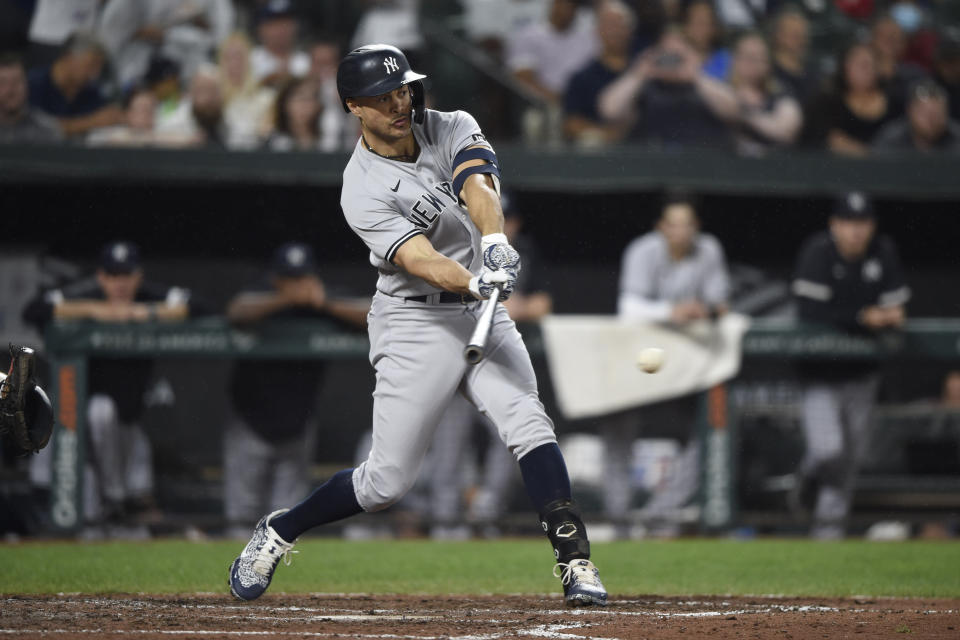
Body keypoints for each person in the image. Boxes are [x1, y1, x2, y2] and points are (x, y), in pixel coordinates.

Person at [228, 44, 608, 607]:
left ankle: (576, 564)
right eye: (383, 98)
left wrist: (496, 242)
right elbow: (421, 260)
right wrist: (478, 281)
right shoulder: (360, 186)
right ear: (353, 106)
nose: (399, 103)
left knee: (529, 424)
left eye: (403, 89)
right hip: (412, 320)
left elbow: (479, 186)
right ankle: (280, 530)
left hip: (480, 312)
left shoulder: (452, 124)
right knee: (386, 483)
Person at [22, 241, 195, 536]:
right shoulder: (85, 293)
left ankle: (118, 503)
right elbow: (33, 310)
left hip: (124, 428)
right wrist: (95, 310)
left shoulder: (148, 295)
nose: (120, 283)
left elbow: (199, 306)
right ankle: (113, 503)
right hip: (72, 427)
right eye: (113, 275)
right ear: (101, 276)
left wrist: (143, 314)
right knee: (85, 522)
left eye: (127, 274)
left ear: (138, 276)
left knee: (127, 528)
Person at [223, 242, 369, 538]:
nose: (297, 286)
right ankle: (236, 574)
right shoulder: (262, 295)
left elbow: (372, 312)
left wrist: (323, 302)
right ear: (276, 278)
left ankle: (279, 581)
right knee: (240, 520)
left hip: (298, 426)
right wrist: (284, 299)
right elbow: (236, 312)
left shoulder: (321, 300)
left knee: (287, 522)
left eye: (302, 278)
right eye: (289, 279)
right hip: (251, 423)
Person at [791, 191, 910, 539]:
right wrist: (862, 317)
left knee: (847, 464)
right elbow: (810, 312)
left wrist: (885, 316)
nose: (856, 231)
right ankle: (808, 476)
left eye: (862, 223)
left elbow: (896, 308)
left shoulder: (882, 252)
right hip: (820, 372)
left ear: (870, 226)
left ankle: (827, 540)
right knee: (828, 450)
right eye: (848, 223)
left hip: (862, 374)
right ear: (834, 225)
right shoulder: (818, 252)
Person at [612, 195, 730, 537]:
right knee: (617, 430)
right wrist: (672, 312)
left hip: (689, 358)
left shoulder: (708, 249)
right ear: (661, 228)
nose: (680, 231)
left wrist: (702, 311)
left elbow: (719, 305)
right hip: (635, 356)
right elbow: (628, 307)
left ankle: (656, 514)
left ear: (696, 227)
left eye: (687, 224)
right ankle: (619, 524)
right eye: (673, 224)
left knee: (711, 433)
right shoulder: (643, 250)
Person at [597, 29, 736, 150]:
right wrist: (638, 73)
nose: (671, 61)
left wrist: (696, 76)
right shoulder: (645, 86)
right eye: (666, 54)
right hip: (653, 165)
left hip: (699, 164)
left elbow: (733, 109)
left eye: (677, 55)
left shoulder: (703, 85)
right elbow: (609, 110)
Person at [97, 0, 235, 88]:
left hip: (180, 62)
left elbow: (220, 36)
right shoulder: (122, 5)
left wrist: (166, 34)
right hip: (131, 68)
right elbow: (108, 42)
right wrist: (139, 32)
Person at [806, 42, 901, 156]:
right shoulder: (827, 102)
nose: (866, 70)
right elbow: (818, 139)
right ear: (844, 67)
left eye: (870, 64)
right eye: (859, 64)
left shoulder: (895, 101)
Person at [562, 0, 635, 146]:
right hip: (598, 154)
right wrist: (608, 134)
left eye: (620, 25)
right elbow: (570, 123)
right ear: (597, 31)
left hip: (644, 153)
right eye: (609, 26)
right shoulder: (581, 77)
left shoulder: (643, 71)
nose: (615, 31)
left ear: (630, 31)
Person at [26, 32, 123, 138]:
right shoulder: (33, 85)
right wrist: (91, 122)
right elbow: (34, 127)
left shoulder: (91, 91)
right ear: (69, 57)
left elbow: (106, 118)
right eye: (91, 65)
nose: (95, 74)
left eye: (99, 67)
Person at [506, 0, 598, 105]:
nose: (569, 9)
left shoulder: (587, 41)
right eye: (565, 3)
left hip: (579, 105)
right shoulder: (528, 35)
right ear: (555, 4)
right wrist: (559, 101)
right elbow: (522, 79)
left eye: (573, 6)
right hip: (538, 104)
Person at [726, 31, 803, 155]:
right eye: (749, 57)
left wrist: (747, 113)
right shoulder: (722, 89)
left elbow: (786, 131)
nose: (754, 64)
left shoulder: (780, 92)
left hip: (771, 163)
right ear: (734, 59)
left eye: (760, 58)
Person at [217, 32, 276, 150]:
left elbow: (265, 132)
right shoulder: (213, 98)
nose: (234, 63)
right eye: (228, 57)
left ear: (249, 60)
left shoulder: (267, 98)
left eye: (239, 56)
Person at [873, 80, 960, 153]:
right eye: (925, 113)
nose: (932, 119)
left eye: (937, 114)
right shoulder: (891, 141)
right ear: (910, 111)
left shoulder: (957, 138)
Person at [155, 64, 228, 148]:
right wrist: (185, 140)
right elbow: (158, 136)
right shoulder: (177, 118)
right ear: (191, 92)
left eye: (212, 90)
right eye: (201, 90)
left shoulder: (229, 118)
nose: (207, 97)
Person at [0, 52, 62, 144]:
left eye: (16, 81)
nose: (10, 90)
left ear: (27, 85)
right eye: (3, 82)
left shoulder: (47, 130)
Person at [250, 0, 310, 88]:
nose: (281, 30)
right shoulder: (250, 61)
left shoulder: (306, 62)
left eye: (286, 23)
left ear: (296, 26)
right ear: (261, 29)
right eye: (274, 24)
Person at [265, 76, 322, 151]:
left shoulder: (328, 140)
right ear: (285, 104)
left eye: (309, 99)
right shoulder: (273, 143)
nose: (304, 106)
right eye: (300, 99)